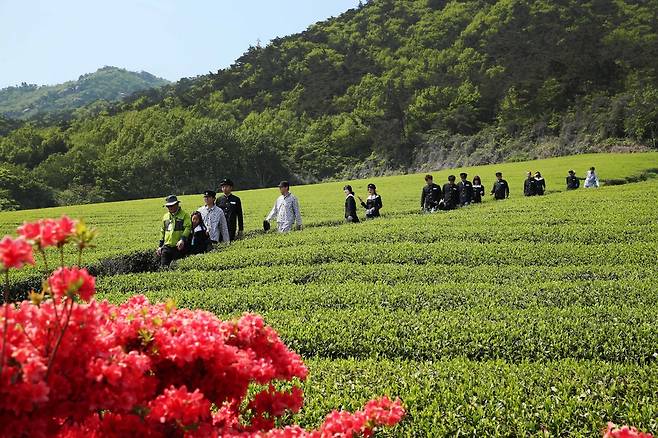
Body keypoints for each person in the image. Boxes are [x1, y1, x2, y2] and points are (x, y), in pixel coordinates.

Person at [157, 195, 192, 267]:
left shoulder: (185, 215)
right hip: (167, 247)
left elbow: (188, 228)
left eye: (171, 206)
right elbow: (162, 230)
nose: (169, 208)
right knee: (163, 268)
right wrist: (160, 246)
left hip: (178, 247)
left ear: (177, 204)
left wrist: (182, 240)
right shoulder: (165, 216)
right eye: (168, 206)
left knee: (177, 268)